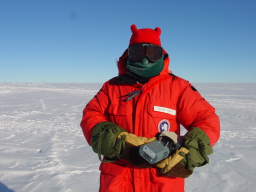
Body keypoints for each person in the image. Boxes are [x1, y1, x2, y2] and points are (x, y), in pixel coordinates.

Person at [80, 24, 220, 192]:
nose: (145, 59)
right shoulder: (112, 87)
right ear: (129, 54)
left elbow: (208, 120)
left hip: (162, 183)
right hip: (118, 181)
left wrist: (189, 150)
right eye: (138, 52)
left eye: (152, 53)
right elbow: (91, 114)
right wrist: (111, 138)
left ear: (161, 54)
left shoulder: (178, 87)